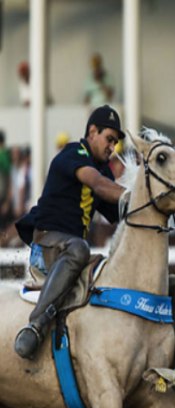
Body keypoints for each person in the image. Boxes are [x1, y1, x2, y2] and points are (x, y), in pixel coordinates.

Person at [13, 105, 126, 360]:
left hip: (68, 249)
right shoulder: (73, 152)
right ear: (92, 131)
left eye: (116, 143)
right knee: (80, 249)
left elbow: (121, 212)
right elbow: (98, 184)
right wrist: (139, 195)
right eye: (109, 139)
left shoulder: (104, 170)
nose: (112, 148)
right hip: (47, 246)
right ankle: (35, 326)